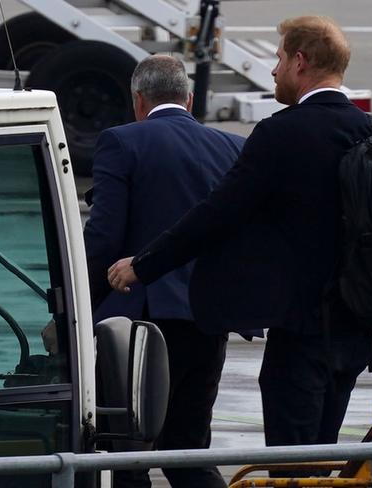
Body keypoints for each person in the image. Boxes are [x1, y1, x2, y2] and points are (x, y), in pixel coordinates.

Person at [107, 15, 372, 473]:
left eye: (278, 59)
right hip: (355, 338)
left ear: (300, 61)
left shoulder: (282, 134)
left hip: (301, 335)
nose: (272, 71)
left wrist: (144, 265)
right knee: (321, 468)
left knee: (291, 471)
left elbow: (214, 215)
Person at [83, 54, 244, 488]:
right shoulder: (232, 147)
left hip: (140, 324)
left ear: (138, 100)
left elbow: (103, 237)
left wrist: (77, 303)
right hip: (207, 320)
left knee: (127, 455)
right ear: (189, 99)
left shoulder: (122, 142)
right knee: (189, 453)